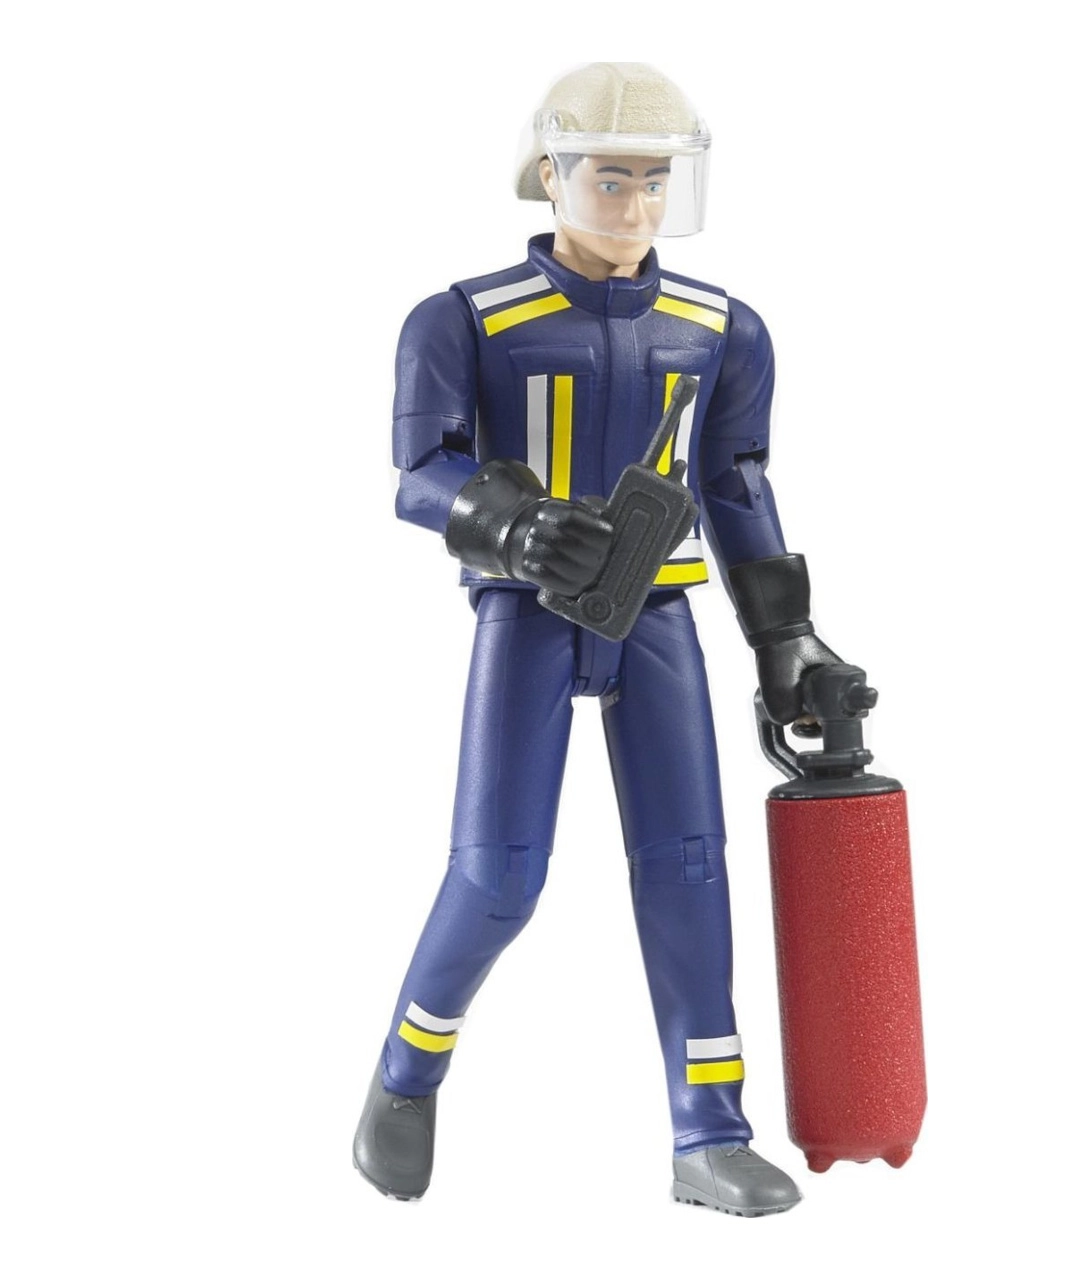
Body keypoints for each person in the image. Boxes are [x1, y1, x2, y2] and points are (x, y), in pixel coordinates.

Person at [354, 62, 842, 1216]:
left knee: (689, 865)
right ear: (552, 173)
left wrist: (785, 638)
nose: (634, 203)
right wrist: (509, 523)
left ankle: (708, 1129)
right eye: (610, 178)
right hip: (524, 612)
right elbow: (418, 473)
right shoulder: (463, 317)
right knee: (496, 875)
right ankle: (406, 1072)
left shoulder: (720, 326)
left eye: (654, 180)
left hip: (657, 613)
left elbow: (735, 487)